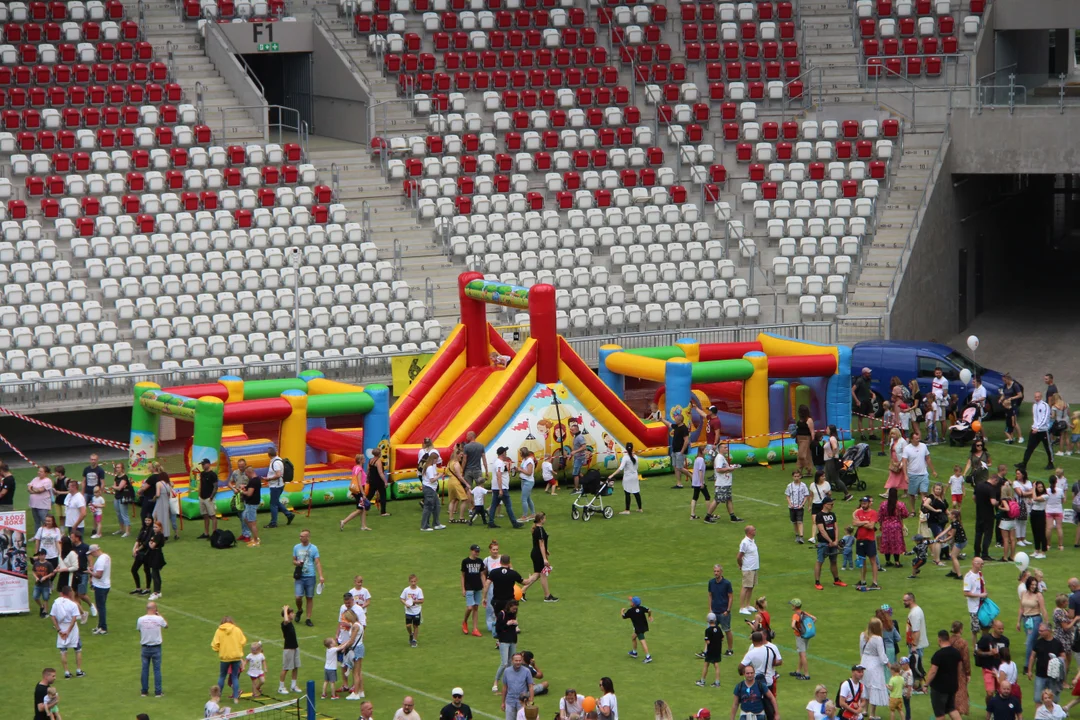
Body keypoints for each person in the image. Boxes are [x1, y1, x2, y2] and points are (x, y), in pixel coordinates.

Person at [924, 630, 963, 720]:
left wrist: (926, 684)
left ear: (939, 639)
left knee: (940, 714)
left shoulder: (938, 655)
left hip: (939, 689)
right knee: (952, 709)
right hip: (952, 686)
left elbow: (933, 671)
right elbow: (960, 669)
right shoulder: (956, 653)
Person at [520, 512, 557, 602]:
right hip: (539, 555)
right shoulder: (539, 529)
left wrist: (546, 550)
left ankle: (522, 591)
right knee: (543, 574)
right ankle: (547, 596)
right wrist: (544, 558)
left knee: (537, 574)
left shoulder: (537, 528)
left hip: (536, 553)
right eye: (544, 518)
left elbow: (541, 544)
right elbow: (541, 544)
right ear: (541, 520)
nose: (545, 519)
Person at [49, 586, 83, 679]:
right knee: (78, 649)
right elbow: (74, 618)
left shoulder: (56, 603)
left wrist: (59, 630)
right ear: (70, 593)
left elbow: (52, 616)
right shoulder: (73, 604)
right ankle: (79, 670)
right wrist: (68, 631)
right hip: (71, 629)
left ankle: (67, 672)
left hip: (61, 627)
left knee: (63, 651)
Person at [293, 529, 325, 627]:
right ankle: (299, 610)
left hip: (310, 576)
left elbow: (317, 562)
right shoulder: (296, 547)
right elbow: (293, 560)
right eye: (300, 536)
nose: (300, 537)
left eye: (302, 536)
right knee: (298, 597)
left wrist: (321, 576)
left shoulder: (314, 548)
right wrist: (297, 563)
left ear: (308, 537)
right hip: (300, 576)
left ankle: (308, 618)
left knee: (309, 597)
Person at [813, 496, 847, 590]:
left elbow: (836, 527)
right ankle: (817, 582)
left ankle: (836, 580)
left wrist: (836, 540)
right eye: (830, 504)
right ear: (825, 505)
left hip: (833, 543)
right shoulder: (819, 515)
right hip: (824, 543)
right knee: (820, 561)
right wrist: (830, 541)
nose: (832, 505)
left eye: (832, 504)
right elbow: (822, 530)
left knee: (834, 561)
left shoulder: (832, 514)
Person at [859, 618, 891, 718]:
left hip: (864, 663)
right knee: (874, 688)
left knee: (865, 686)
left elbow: (861, 650)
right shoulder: (878, 639)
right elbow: (882, 656)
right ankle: (872, 714)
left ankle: (864, 710)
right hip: (875, 665)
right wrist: (889, 665)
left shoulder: (862, 635)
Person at [705, 443, 743, 524]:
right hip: (722, 483)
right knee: (717, 500)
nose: (727, 448)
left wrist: (730, 468)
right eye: (725, 447)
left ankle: (733, 517)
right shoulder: (719, 458)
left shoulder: (722, 457)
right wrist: (730, 469)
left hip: (726, 482)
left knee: (729, 499)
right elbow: (719, 470)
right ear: (720, 449)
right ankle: (707, 517)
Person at [212, 616, 247, 703]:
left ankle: (218, 697)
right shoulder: (237, 630)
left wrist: (220, 650)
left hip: (225, 657)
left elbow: (215, 645)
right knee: (234, 677)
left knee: (222, 677)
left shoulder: (219, 631)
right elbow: (243, 641)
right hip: (236, 657)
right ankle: (235, 698)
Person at [137, 601, 167, 698]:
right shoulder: (158, 619)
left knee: (144, 669)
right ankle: (158, 692)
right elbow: (166, 625)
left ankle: (144, 691)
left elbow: (138, 629)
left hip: (145, 647)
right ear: (155, 609)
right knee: (157, 670)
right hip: (156, 647)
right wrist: (159, 615)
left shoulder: (140, 619)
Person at [1029, 623, 1066, 702]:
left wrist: (1057, 660)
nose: (1039, 632)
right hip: (1040, 675)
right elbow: (1032, 656)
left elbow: (1063, 657)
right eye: (1039, 630)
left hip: (1053, 676)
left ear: (1048, 631)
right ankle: (1039, 714)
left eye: (1042, 631)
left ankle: (1053, 714)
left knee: (1054, 699)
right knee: (1038, 698)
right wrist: (1029, 671)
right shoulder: (1038, 642)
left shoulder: (1057, 643)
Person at [1019, 391, 1054, 471]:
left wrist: (1037, 427)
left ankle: (1051, 463)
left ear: (1041, 397)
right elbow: (1035, 418)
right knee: (1029, 447)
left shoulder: (1045, 405)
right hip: (1035, 430)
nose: (1037, 398)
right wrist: (1034, 427)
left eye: (1038, 397)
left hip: (1043, 431)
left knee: (1048, 447)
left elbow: (1045, 418)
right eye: (1035, 397)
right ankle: (1024, 463)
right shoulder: (1034, 405)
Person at [489, 447, 523, 529]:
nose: (506, 454)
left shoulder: (497, 462)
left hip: (496, 487)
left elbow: (501, 473)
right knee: (508, 505)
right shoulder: (499, 463)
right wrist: (501, 489)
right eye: (505, 452)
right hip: (502, 488)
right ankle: (514, 523)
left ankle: (491, 522)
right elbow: (499, 476)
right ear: (503, 453)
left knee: (494, 505)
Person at [852, 496, 881, 592]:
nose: (863, 505)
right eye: (862, 503)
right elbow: (854, 523)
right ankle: (863, 580)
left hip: (870, 540)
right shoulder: (858, 512)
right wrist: (865, 522)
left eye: (865, 503)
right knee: (861, 561)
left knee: (873, 561)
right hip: (860, 539)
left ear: (869, 503)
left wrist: (860, 522)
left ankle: (875, 582)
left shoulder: (873, 513)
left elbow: (871, 526)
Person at [1019, 575, 1048, 669]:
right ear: (1028, 584)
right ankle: (1039, 660)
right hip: (1026, 620)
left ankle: (1027, 666)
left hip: (1035, 619)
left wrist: (1046, 623)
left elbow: (1043, 609)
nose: (1034, 586)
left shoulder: (1038, 595)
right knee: (1033, 642)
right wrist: (1018, 621)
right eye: (1032, 584)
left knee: (1029, 642)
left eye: (1035, 585)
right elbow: (1021, 608)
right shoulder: (1023, 593)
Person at [901, 430, 937, 506]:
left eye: (919, 438)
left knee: (924, 492)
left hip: (924, 474)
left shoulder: (923, 446)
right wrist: (905, 475)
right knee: (912, 494)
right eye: (916, 438)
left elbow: (928, 458)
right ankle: (913, 510)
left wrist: (933, 470)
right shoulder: (907, 449)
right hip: (912, 474)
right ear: (911, 439)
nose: (918, 440)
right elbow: (904, 462)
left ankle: (923, 509)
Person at [264, 448, 296, 528]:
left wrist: (269, 479)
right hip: (279, 485)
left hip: (276, 486)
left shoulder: (275, 463)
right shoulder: (279, 460)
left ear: (269, 455)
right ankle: (289, 514)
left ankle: (273, 523)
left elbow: (278, 475)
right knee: (276, 502)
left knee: (273, 504)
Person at [493, 599, 520, 691]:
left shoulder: (513, 615)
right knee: (504, 663)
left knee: (511, 663)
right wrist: (507, 624)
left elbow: (513, 628)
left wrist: (515, 624)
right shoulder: (502, 614)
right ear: (509, 607)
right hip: (504, 640)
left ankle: (508, 683)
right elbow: (498, 629)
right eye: (513, 608)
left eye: (516, 609)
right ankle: (496, 682)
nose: (514, 610)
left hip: (512, 640)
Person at [974, 471, 1002, 560]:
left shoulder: (979, 485)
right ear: (994, 480)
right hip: (988, 515)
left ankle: (977, 553)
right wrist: (999, 503)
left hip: (979, 513)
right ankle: (985, 554)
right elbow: (993, 502)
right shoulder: (991, 489)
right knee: (987, 534)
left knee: (978, 534)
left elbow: (974, 498)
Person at [708, 564, 735, 654]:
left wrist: (728, 610)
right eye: (715, 571)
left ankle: (730, 649)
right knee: (710, 631)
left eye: (718, 571)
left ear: (721, 572)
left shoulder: (726, 583)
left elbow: (730, 597)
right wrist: (710, 609)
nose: (716, 573)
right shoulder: (711, 582)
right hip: (714, 612)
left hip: (723, 612)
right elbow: (710, 596)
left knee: (727, 630)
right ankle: (708, 650)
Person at [608, 442, 642, 514]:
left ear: (626, 449)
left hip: (628, 477)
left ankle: (627, 510)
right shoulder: (635, 457)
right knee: (636, 492)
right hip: (634, 476)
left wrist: (612, 475)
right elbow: (636, 467)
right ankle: (640, 508)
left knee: (627, 492)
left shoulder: (625, 457)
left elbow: (620, 468)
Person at [341, 454, 372, 532]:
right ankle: (344, 521)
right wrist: (363, 493)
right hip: (359, 491)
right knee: (360, 509)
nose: (365, 459)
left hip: (357, 490)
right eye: (363, 458)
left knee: (363, 508)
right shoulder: (359, 469)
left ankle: (363, 526)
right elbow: (359, 482)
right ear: (360, 460)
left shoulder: (355, 468)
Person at [461, 544, 487, 636]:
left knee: (476, 607)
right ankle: (464, 622)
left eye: (478, 551)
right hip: (469, 587)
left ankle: (475, 629)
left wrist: (484, 586)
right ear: (471, 551)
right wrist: (463, 588)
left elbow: (482, 574)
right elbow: (463, 575)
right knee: (470, 607)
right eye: (475, 551)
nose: (477, 553)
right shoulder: (465, 561)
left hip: (478, 587)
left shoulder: (480, 561)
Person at [947, 621, 972, 716]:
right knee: (960, 690)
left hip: (948, 668)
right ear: (960, 629)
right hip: (959, 669)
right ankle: (958, 711)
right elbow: (966, 659)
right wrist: (968, 673)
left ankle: (950, 709)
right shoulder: (963, 642)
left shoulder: (948, 640)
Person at [921, 483, 948, 566]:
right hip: (934, 521)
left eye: (939, 489)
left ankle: (937, 558)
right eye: (937, 489)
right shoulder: (932, 497)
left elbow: (945, 508)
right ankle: (937, 560)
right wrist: (935, 510)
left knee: (939, 539)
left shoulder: (942, 498)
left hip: (941, 521)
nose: (938, 491)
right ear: (933, 489)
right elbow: (925, 504)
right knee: (938, 539)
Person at [903, 593, 928, 682]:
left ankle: (919, 686)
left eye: (905, 601)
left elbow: (916, 631)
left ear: (911, 600)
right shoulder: (916, 610)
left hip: (916, 645)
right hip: (917, 644)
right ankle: (918, 686)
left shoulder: (914, 613)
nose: (904, 602)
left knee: (916, 666)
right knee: (917, 665)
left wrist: (914, 645)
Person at [963, 557, 988, 645]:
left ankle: (984, 645)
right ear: (975, 564)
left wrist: (985, 592)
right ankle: (975, 648)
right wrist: (980, 595)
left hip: (982, 605)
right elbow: (966, 593)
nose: (982, 566)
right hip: (974, 607)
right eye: (981, 564)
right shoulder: (968, 577)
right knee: (975, 630)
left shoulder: (980, 574)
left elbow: (983, 585)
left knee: (986, 626)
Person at [501, 654, 534, 720]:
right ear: (512, 661)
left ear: (522, 661)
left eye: (520, 660)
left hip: (522, 701)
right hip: (510, 701)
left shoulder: (526, 671)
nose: (518, 662)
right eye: (516, 660)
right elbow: (505, 687)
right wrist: (503, 702)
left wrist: (531, 700)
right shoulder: (507, 671)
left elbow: (531, 686)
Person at [663, 412, 691, 489]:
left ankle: (692, 476)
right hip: (675, 450)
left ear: (680, 420)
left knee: (680, 467)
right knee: (676, 467)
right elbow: (669, 424)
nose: (674, 421)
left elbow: (686, 441)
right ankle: (679, 483)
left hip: (680, 451)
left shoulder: (684, 429)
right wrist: (661, 419)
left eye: (676, 420)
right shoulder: (676, 426)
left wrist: (682, 451)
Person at [937, 509, 968, 579]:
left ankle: (959, 575)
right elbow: (946, 531)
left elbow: (952, 536)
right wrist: (938, 536)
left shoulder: (955, 524)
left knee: (953, 557)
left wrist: (943, 540)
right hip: (962, 541)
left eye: (950, 514)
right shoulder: (954, 523)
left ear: (953, 516)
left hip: (960, 542)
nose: (948, 515)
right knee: (954, 556)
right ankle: (954, 572)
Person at [621, 596, 653, 663]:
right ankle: (634, 652)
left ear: (633, 604)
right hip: (644, 627)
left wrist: (622, 611)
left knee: (642, 642)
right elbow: (649, 610)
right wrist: (649, 616)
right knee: (633, 637)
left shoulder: (630, 611)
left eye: (631, 602)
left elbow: (623, 616)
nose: (630, 602)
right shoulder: (641, 608)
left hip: (638, 629)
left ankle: (648, 656)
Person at [419, 452, 446, 532]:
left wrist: (437, 474)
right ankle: (424, 526)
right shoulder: (430, 467)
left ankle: (436, 524)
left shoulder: (429, 466)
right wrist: (439, 476)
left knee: (437, 506)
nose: (437, 461)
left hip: (431, 488)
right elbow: (432, 480)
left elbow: (431, 476)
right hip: (429, 488)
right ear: (433, 459)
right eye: (436, 459)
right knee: (428, 507)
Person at [278, 605, 302, 695]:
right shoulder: (285, 624)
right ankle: (281, 687)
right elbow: (285, 620)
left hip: (295, 647)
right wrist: (285, 610)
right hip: (288, 649)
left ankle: (293, 685)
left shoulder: (291, 623)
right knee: (286, 668)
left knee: (296, 667)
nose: (294, 614)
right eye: (292, 613)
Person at [736, 525, 760, 615]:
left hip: (754, 567)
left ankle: (747, 605)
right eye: (754, 530)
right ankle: (742, 607)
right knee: (745, 587)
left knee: (751, 586)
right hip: (748, 568)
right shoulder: (745, 542)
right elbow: (739, 556)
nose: (755, 531)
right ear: (749, 532)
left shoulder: (752, 541)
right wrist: (741, 565)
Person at [789, 599, 815, 680]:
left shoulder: (795, 615)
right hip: (806, 636)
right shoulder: (804, 613)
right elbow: (814, 618)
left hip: (800, 637)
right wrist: (807, 629)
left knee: (802, 655)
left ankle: (806, 675)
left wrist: (799, 631)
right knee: (801, 654)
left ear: (794, 606)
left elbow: (793, 625)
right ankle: (798, 671)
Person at [193, 459, 219, 539]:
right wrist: (199, 494)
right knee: (205, 515)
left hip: (208, 498)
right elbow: (201, 483)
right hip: (202, 497)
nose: (202, 466)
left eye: (204, 464)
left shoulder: (213, 474)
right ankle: (206, 533)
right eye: (202, 464)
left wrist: (211, 497)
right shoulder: (202, 474)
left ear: (208, 464)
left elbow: (215, 487)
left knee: (212, 516)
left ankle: (214, 533)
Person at [88, 544, 110, 635]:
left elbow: (99, 575)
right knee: (101, 606)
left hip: (100, 586)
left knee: (101, 608)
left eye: (91, 553)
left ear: (94, 551)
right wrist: (93, 569)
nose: (91, 555)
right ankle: (100, 626)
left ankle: (103, 628)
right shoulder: (106, 557)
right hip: (106, 585)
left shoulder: (100, 560)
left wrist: (90, 572)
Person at [698, 612, 725, 686]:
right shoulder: (718, 628)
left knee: (706, 664)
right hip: (718, 650)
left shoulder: (708, 630)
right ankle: (717, 682)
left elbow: (708, 642)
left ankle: (702, 681)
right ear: (715, 619)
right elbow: (722, 638)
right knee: (716, 665)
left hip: (710, 650)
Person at [446, 445, 471, 523]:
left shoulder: (450, 463)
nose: (462, 456)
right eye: (461, 455)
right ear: (457, 455)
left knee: (453, 500)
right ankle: (461, 517)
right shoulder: (456, 464)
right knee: (464, 499)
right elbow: (459, 476)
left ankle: (451, 518)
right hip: (456, 483)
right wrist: (466, 484)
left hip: (450, 482)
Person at [107, 462, 132, 538]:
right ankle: (121, 529)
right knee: (118, 514)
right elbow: (116, 487)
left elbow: (119, 487)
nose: (117, 469)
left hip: (123, 498)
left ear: (122, 469)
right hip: (117, 497)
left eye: (118, 467)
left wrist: (115, 487)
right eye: (116, 467)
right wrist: (115, 487)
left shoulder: (124, 477)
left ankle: (127, 531)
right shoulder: (117, 477)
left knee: (124, 514)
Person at [143, 520, 166, 600]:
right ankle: (158, 591)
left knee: (155, 574)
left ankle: (156, 592)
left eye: (156, 527)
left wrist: (150, 543)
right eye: (154, 527)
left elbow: (152, 545)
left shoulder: (159, 535)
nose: (154, 528)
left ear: (160, 528)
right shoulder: (156, 535)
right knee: (156, 574)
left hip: (156, 555)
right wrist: (151, 543)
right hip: (155, 554)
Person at [400, 573, 424, 647]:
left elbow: (422, 600)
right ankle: (411, 634)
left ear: (416, 581)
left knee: (416, 626)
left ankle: (414, 640)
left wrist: (414, 601)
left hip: (416, 611)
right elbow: (401, 598)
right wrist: (406, 603)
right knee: (408, 625)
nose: (413, 583)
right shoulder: (406, 590)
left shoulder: (419, 590)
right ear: (409, 582)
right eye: (412, 581)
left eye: (414, 581)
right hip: (408, 611)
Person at [785, 471, 810, 544]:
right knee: (794, 522)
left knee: (800, 521)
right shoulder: (790, 486)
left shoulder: (803, 485)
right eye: (795, 476)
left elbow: (806, 495)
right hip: (792, 507)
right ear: (793, 477)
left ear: (800, 476)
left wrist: (802, 504)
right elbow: (787, 496)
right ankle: (797, 535)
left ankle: (801, 536)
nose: (796, 478)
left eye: (797, 476)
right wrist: (790, 504)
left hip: (800, 507)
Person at [240, 466, 262, 547]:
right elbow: (250, 488)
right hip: (250, 503)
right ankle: (255, 537)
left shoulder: (253, 481)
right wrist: (245, 487)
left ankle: (256, 540)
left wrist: (242, 491)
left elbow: (249, 493)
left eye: (246, 474)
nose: (246, 476)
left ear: (249, 472)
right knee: (245, 517)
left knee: (252, 522)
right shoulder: (255, 480)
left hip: (252, 504)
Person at [1046, 470, 1067, 551]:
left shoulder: (1047, 490)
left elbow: (1045, 500)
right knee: (1059, 528)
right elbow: (1062, 500)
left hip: (1049, 510)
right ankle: (1060, 545)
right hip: (1058, 510)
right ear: (1056, 481)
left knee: (1048, 528)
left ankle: (1048, 544)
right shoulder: (1060, 490)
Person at [852, 368, 875, 441]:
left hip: (867, 400)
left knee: (872, 416)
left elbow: (867, 388)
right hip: (861, 401)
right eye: (868, 373)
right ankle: (862, 434)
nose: (870, 374)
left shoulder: (869, 380)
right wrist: (857, 401)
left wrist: (872, 393)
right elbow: (852, 390)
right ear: (864, 373)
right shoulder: (859, 380)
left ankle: (871, 434)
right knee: (860, 418)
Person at [366, 448, 390, 517]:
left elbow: (368, 471)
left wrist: (367, 479)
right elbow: (381, 473)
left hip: (372, 480)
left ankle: (362, 509)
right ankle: (383, 512)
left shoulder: (370, 460)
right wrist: (385, 481)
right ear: (379, 454)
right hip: (378, 481)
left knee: (369, 495)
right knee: (383, 496)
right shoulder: (378, 461)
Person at [688, 448, 711, 520]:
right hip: (699, 482)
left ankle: (692, 515)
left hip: (695, 482)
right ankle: (709, 514)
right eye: (705, 450)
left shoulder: (697, 459)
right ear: (702, 451)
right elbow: (700, 471)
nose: (707, 451)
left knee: (695, 497)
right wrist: (701, 483)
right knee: (707, 497)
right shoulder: (701, 459)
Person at [32, 550, 55, 618]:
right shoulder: (36, 563)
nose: (40, 556)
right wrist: (36, 577)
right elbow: (33, 571)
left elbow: (52, 573)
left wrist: (45, 577)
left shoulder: (48, 564)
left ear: (45, 555)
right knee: (35, 596)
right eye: (39, 555)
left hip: (46, 584)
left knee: (45, 598)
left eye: (42, 555)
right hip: (37, 583)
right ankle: (41, 607)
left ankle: (45, 612)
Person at [569, 421, 591, 493]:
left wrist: (575, 452)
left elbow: (584, 447)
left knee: (575, 474)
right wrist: (571, 454)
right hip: (577, 457)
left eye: (572, 430)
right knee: (578, 473)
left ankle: (576, 489)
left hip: (579, 458)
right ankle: (588, 482)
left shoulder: (580, 437)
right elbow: (576, 447)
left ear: (576, 429)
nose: (571, 431)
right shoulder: (576, 437)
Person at [795, 405, 817, 476]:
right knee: (801, 455)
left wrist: (813, 440)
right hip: (799, 438)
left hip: (806, 439)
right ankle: (800, 469)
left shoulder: (809, 420)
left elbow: (812, 431)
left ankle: (808, 468)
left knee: (803, 455)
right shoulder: (800, 420)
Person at [518, 447, 537, 521]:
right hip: (523, 481)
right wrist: (518, 470)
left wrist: (521, 470)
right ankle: (533, 514)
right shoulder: (524, 460)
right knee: (528, 498)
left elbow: (529, 473)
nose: (519, 454)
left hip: (528, 481)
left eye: (520, 452)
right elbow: (523, 469)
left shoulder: (529, 461)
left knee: (523, 499)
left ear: (523, 453)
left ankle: (524, 516)